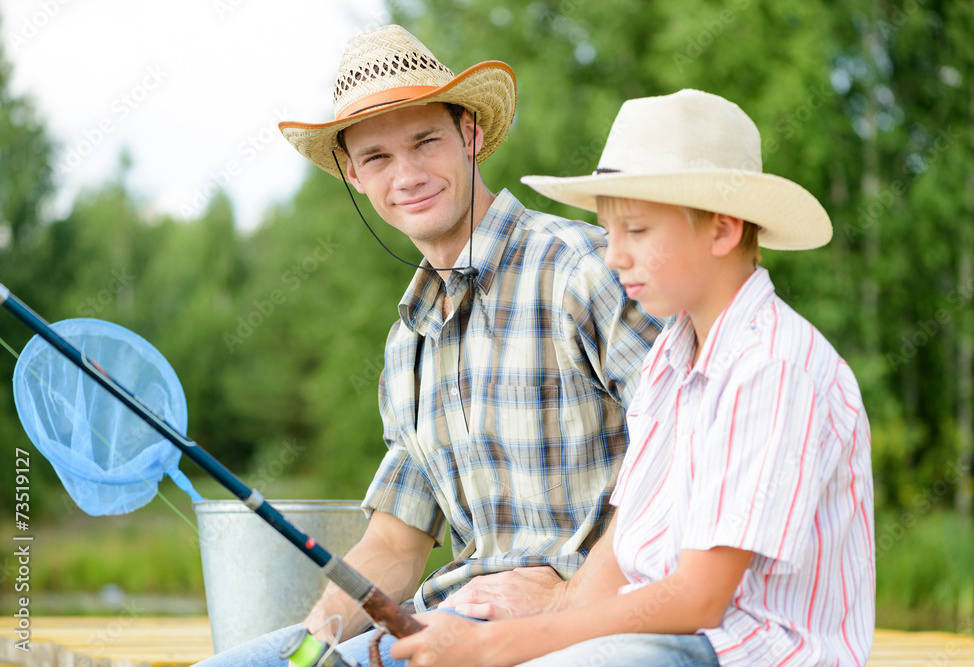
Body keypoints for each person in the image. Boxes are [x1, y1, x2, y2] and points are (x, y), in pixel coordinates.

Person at [196, 24, 662, 667]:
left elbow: (683, 452)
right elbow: (395, 543)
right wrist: (308, 652)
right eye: (378, 158)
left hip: (599, 631)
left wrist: (567, 602)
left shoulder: (579, 268)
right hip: (454, 629)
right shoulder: (407, 343)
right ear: (355, 176)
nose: (407, 175)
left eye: (425, 142)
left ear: (470, 135)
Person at [391, 90, 875, 667]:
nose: (614, 256)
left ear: (721, 230)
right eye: (608, 232)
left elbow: (697, 598)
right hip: (654, 639)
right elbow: (626, 547)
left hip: (742, 651)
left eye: (637, 232)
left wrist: (495, 646)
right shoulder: (673, 359)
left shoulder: (771, 364)